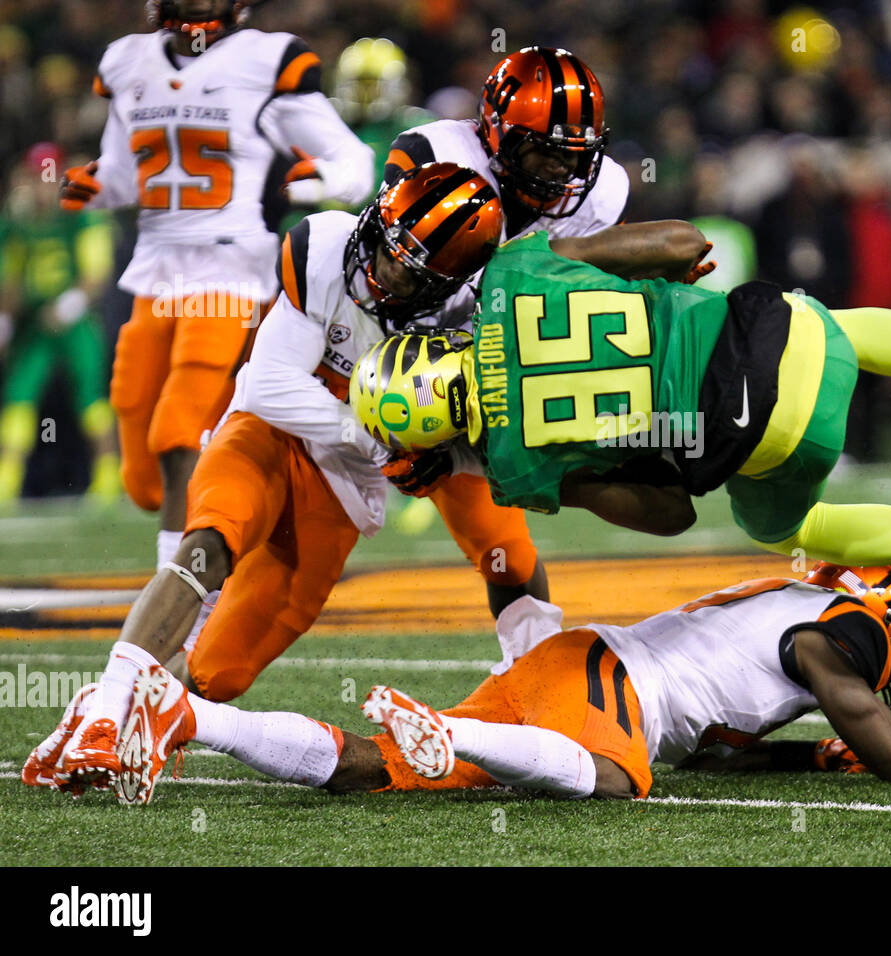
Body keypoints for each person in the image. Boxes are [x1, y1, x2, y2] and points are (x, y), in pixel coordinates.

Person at [21, 163, 513, 796]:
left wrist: (435, 453)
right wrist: (373, 434)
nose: (385, 268)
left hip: (341, 489)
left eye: (409, 267)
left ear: (448, 285)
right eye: (387, 245)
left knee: (216, 673)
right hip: (269, 431)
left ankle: (92, 715)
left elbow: (470, 446)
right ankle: (107, 716)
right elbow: (277, 385)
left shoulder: (470, 326)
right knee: (209, 543)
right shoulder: (328, 245)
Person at [354, 222, 891, 611]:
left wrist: (577, 471)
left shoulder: (514, 469)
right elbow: (683, 242)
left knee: (783, 528)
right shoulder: (513, 272)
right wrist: (653, 291)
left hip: (770, 439)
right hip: (784, 338)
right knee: (826, 326)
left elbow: (673, 516)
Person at [27, 563, 891, 804]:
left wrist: (805, 753)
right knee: (612, 782)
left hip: (571, 667)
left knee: (366, 771)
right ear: (886, 626)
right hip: (609, 685)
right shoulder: (836, 633)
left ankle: (186, 711)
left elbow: (717, 735)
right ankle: (449, 728)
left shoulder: (787, 616)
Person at [59, 0, 373, 572]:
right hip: (156, 272)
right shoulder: (128, 63)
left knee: (180, 429)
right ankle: (225, 529)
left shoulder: (264, 60)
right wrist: (93, 186)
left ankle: (177, 599)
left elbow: (354, 161)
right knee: (140, 454)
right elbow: (123, 171)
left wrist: (319, 181)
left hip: (231, 272)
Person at [378, 46, 632, 608]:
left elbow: (549, 302)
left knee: (506, 554)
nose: (562, 169)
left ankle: (531, 674)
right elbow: (389, 282)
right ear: (495, 130)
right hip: (386, 352)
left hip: (477, 368)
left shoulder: (601, 190)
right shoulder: (434, 154)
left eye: (575, 154)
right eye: (544, 151)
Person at [0, 143, 119, 504]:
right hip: (38, 323)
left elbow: (97, 272)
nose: (40, 186)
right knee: (18, 394)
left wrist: (70, 304)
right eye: (34, 178)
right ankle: (7, 478)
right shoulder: (18, 222)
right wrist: (5, 317)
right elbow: (12, 279)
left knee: (90, 396)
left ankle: (108, 475)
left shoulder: (80, 213)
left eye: (45, 178)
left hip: (75, 321)